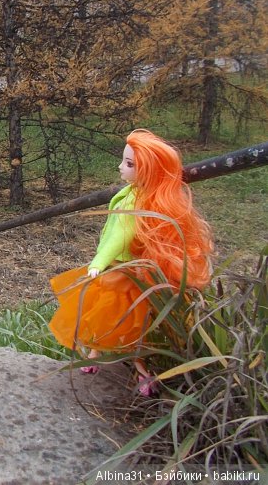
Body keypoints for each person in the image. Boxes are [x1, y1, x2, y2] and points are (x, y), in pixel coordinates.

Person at [48, 129, 213, 396]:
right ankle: (98, 353)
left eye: (129, 164)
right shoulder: (140, 194)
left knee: (123, 322)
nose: (120, 167)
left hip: (122, 271)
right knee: (108, 316)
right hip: (126, 269)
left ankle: (139, 370)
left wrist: (98, 262)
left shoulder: (138, 200)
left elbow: (120, 236)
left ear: (148, 170)